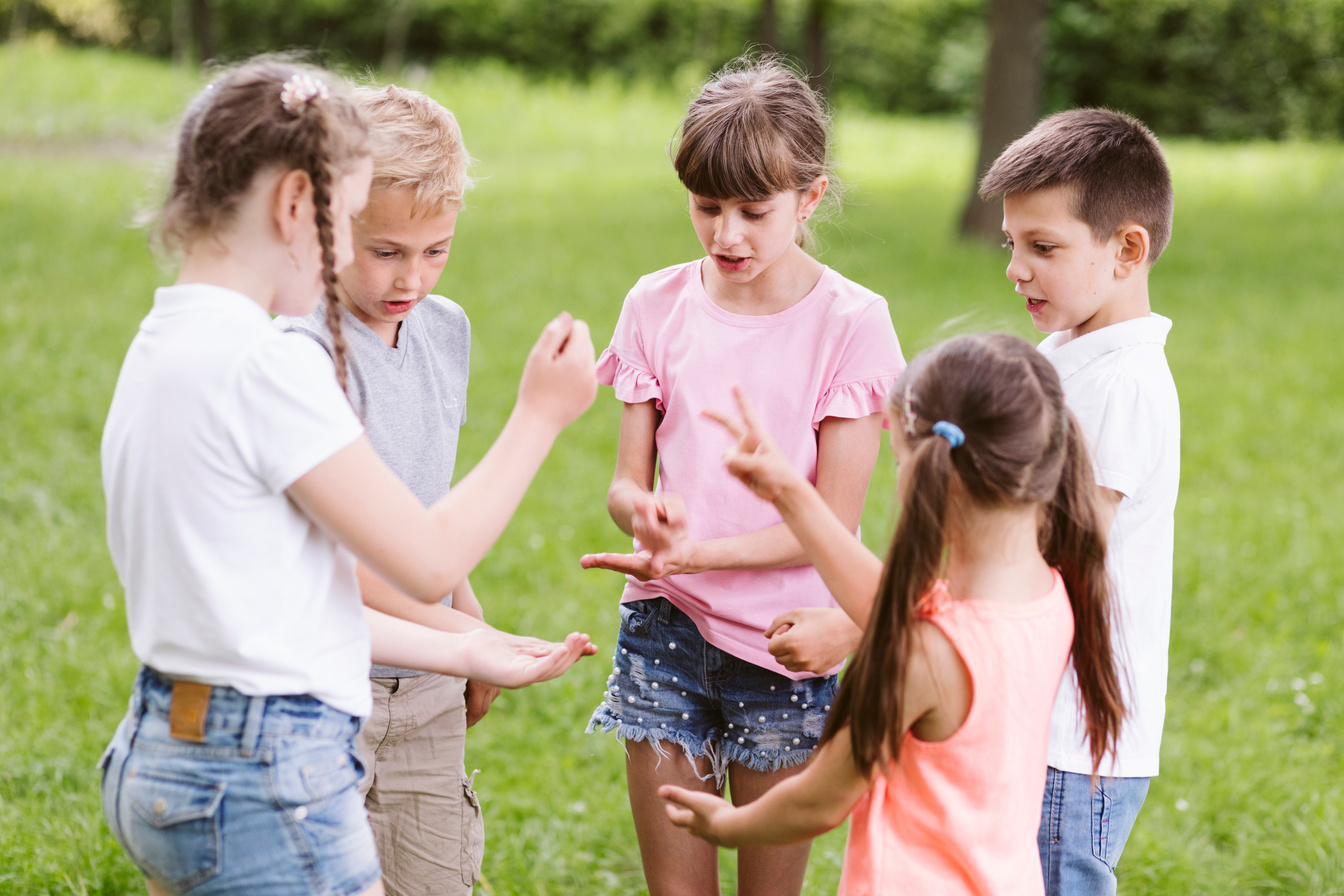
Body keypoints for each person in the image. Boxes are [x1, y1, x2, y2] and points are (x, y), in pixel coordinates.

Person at [97, 59, 597, 896]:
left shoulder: (166, 346)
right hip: (266, 772)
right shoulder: (269, 365)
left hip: (165, 744)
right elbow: (426, 559)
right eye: (346, 225)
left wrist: (468, 644)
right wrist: (541, 414)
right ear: (298, 206)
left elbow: (287, 597)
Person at [579, 56, 904, 896]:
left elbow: (825, 521)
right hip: (665, 633)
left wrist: (694, 556)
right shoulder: (654, 304)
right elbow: (626, 483)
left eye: (755, 212)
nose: (728, 235)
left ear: (810, 198)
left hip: (787, 644)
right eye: (706, 208)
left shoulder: (852, 325)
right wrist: (643, 516)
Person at [662, 333, 1126, 896]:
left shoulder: (927, 655)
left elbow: (819, 800)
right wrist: (790, 493)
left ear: (929, 473)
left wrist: (729, 824)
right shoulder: (1046, 592)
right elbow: (894, 607)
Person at [279, 83, 495, 894]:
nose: (413, 277)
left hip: (428, 675)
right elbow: (337, 547)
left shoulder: (446, 331)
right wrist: (463, 640)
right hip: (328, 673)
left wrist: (465, 620)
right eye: (386, 251)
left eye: (436, 249)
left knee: (434, 873)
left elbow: (421, 506)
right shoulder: (299, 348)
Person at [979, 108, 1179, 894]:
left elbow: (1058, 543)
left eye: (1044, 247)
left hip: (1076, 739)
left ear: (1127, 249)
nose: (1016, 268)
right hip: (1036, 717)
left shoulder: (1124, 386)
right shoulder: (1067, 355)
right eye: (1012, 245)